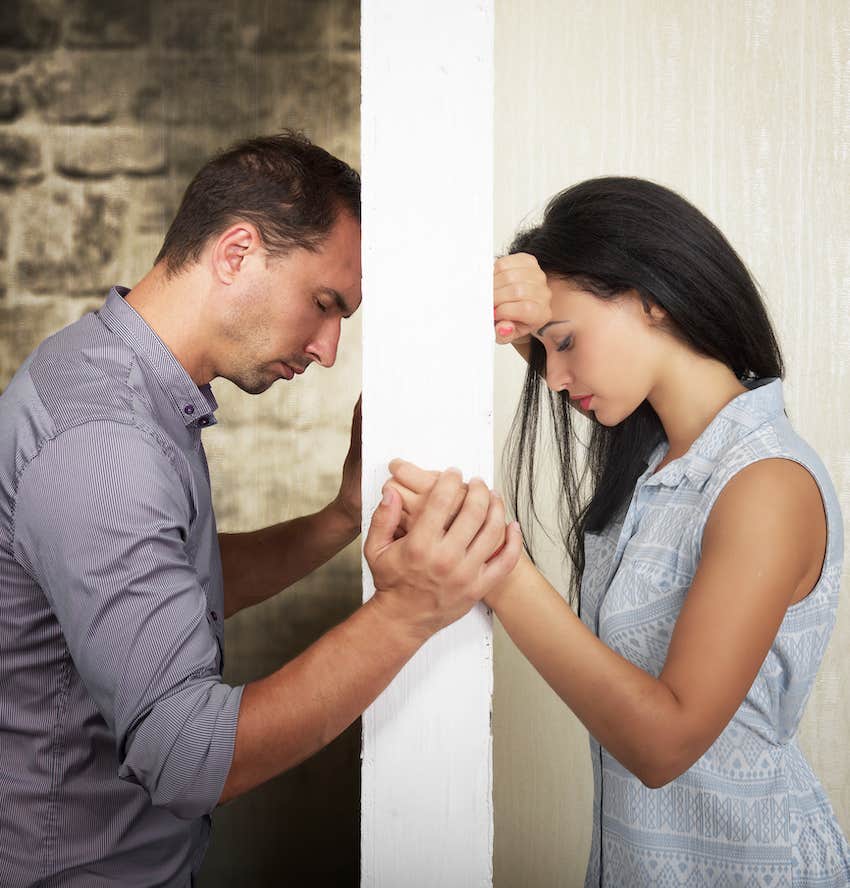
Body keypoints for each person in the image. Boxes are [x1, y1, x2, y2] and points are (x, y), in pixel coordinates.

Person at [0, 131, 521, 887]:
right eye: (324, 303)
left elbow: (161, 586)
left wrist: (340, 517)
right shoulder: (105, 441)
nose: (329, 348)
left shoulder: (109, 376)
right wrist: (411, 609)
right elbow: (185, 757)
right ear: (237, 252)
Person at [388, 177, 850, 887]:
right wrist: (512, 306)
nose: (555, 378)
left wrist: (502, 569)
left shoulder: (766, 485)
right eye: (544, 351)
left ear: (651, 297)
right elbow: (569, 355)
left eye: (564, 342)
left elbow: (664, 742)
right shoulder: (658, 469)